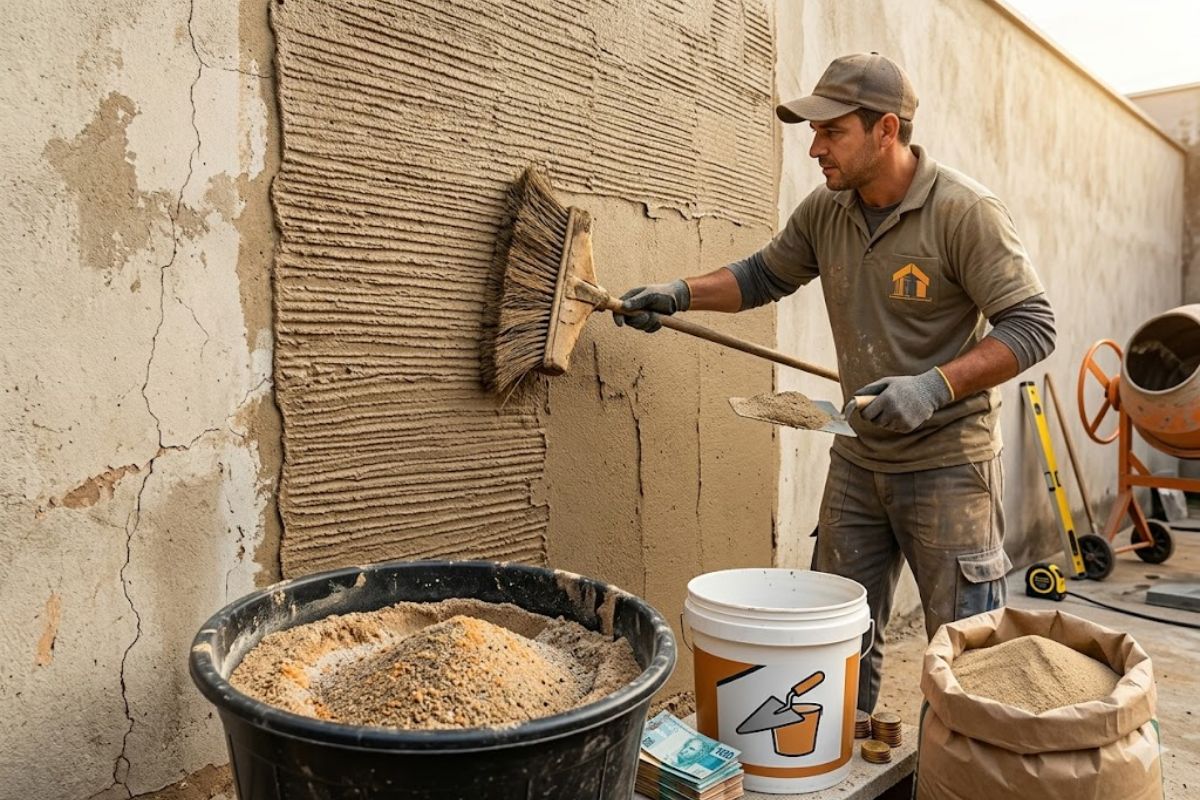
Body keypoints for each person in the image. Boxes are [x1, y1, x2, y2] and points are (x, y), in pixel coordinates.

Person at [613, 53, 1055, 713]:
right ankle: (844, 761)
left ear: (886, 130)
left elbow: (1032, 326)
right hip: (858, 457)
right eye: (814, 131)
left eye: (832, 131)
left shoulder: (965, 213)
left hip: (949, 465)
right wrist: (679, 294)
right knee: (835, 640)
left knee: (967, 651)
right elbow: (764, 275)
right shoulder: (828, 210)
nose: (815, 146)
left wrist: (932, 387)